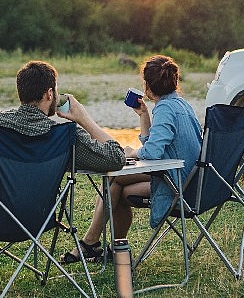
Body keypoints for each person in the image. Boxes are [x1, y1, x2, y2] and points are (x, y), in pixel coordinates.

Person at [0, 60, 126, 278]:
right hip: (38, 220)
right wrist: (84, 119)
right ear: (49, 94)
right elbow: (116, 158)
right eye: (56, 90)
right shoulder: (65, 135)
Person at [60, 54, 202, 264]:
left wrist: (130, 153)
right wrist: (144, 116)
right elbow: (155, 144)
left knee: (115, 183)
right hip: (189, 179)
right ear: (175, 81)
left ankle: (93, 244)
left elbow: (151, 153)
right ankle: (107, 247)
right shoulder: (181, 105)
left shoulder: (165, 109)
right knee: (116, 185)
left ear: (147, 86)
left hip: (177, 184)